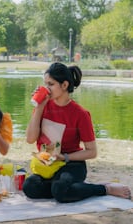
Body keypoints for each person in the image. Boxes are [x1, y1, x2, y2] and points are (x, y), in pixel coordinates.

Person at [23, 62, 131, 203]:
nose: (46, 88)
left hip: (72, 164)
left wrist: (64, 157)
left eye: (50, 84)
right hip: (48, 164)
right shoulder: (43, 107)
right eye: (45, 84)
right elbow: (30, 139)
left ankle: (105, 189)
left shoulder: (80, 114)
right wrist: (39, 107)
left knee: (60, 191)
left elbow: (92, 152)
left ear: (64, 85)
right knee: (30, 187)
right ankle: (67, 188)